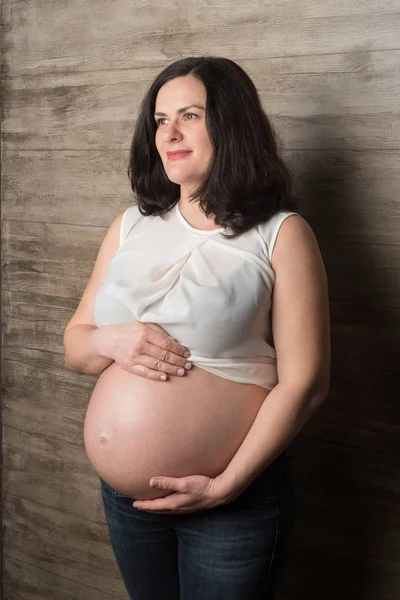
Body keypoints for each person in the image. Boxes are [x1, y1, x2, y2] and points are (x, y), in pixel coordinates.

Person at [63, 56, 330, 600]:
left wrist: (225, 486)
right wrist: (112, 339)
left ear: (230, 126)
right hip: (127, 503)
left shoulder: (281, 234)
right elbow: (78, 344)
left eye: (190, 115)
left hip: (231, 503)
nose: (171, 133)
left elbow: (307, 382)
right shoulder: (130, 225)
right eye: (160, 120)